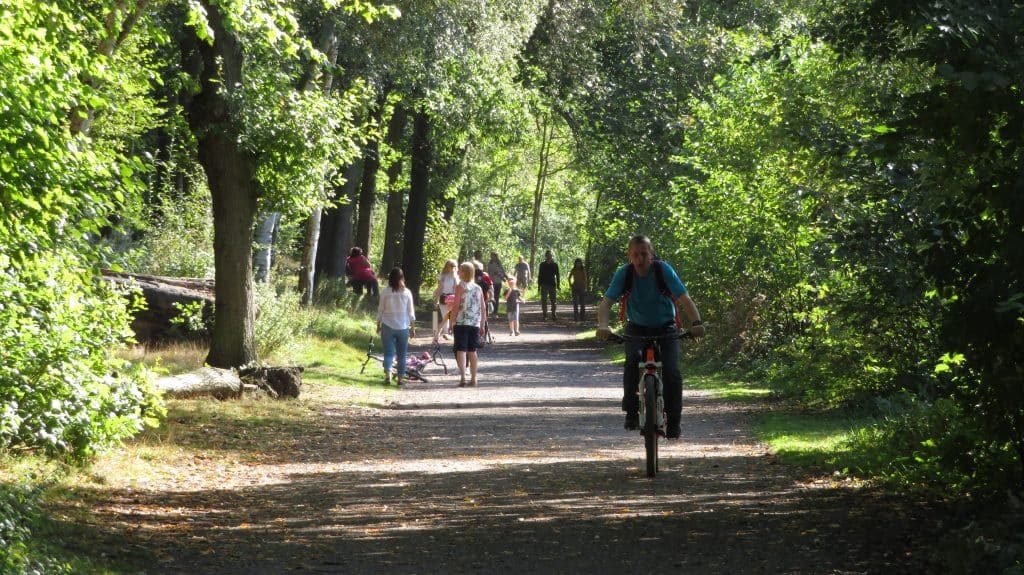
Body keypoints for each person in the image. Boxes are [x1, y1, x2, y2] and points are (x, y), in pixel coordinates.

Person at [596, 235, 705, 439]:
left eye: (644, 254)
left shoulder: (663, 271)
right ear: (630, 256)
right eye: (635, 254)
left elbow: (684, 298)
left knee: (672, 371)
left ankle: (674, 420)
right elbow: (606, 302)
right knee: (632, 363)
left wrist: (697, 323)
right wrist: (603, 325)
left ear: (651, 254)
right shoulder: (624, 273)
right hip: (636, 328)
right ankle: (631, 412)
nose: (640, 259)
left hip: (666, 327)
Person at [377, 267, 416, 386]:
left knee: (388, 353)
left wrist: (378, 324)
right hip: (403, 326)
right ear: (402, 278)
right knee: (402, 355)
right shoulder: (407, 292)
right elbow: (411, 312)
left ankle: (388, 374)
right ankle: (400, 379)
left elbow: (380, 310)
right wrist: (413, 328)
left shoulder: (385, 292)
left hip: (388, 325)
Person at [452, 261, 485, 387]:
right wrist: (482, 324)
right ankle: (474, 378)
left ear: (465, 272)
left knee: (461, 350)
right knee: (472, 350)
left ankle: (462, 377)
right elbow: (483, 307)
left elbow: (455, 306)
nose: (458, 272)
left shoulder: (460, 287)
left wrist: (452, 321)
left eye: (460, 270)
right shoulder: (478, 288)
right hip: (474, 323)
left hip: (461, 322)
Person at [431, 259, 459, 343]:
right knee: (445, 316)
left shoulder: (455, 276)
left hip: (452, 298)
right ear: (447, 266)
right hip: (443, 297)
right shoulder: (442, 276)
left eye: (454, 266)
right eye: (451, 266)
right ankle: (445, 333)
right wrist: (436, 300)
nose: (453, 268)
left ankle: (447, 333)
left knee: (451, 316)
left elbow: (456, 288)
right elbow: (440, 288)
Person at [537, 249, 560, 320]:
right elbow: (540, 275)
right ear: (546, 256)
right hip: (544, 284)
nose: (549, 256)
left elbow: (558, 275)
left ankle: (554, 314)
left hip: (552, 284)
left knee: (553, 301)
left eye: (550, 255)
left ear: (552, 256)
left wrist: (558, 285)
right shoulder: (542, 264)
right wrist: (539, 285)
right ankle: (545, 315)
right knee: (544, 300)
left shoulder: (555, 265)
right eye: (548, 255)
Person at [486, 251, 507, 319]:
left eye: (493, 255)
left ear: (496, 256)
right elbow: (489, 272)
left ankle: (495, 312)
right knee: (492, 297)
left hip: (498, 282)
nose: (491, 257)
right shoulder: (490, 263)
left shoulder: (498, 263)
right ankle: (491, 311)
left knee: (496, 297)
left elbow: (502, 271)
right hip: (492, 282)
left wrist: (504, 277)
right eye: (491, 256)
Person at [569, 257, 588, 322]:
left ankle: (582, 317)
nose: (578, 265)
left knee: (582, 304)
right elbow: (569, 277)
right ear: (575, 264)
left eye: (579, 263)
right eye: (577, 263)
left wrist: (585, 288)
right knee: (575, 303)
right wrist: (570, 284)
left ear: (581, 264)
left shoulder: (583, 270)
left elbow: (585, 279)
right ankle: (576, 317)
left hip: (582, 288)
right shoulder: (573, 270)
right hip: (575, 288)